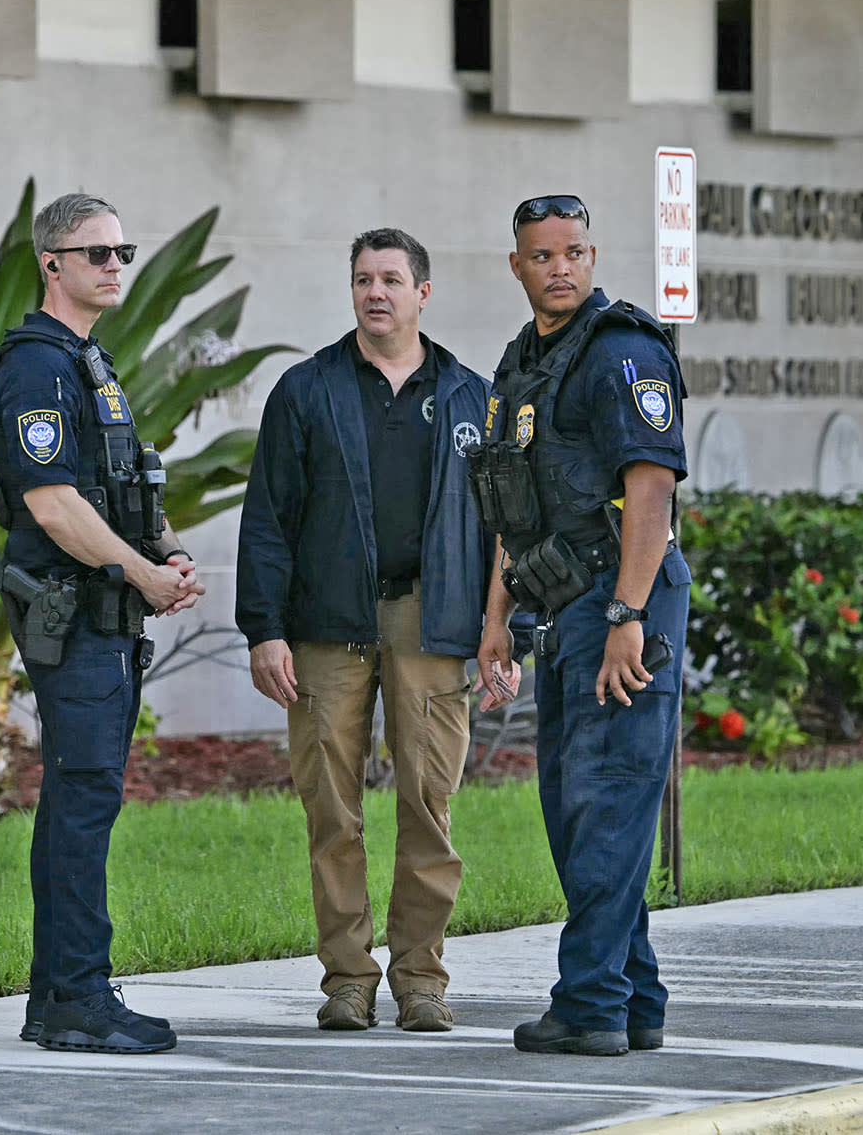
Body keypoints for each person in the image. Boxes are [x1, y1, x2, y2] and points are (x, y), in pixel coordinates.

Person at [236, 227, 494, 1033]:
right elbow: (268, 518)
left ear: (423, 291)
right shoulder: (306, 389)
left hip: (434, 619)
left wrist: (501, 629)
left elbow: (498, 527)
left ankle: (422, 978)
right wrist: (263, 630)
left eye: (390, 278)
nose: (374, 291)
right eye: (361, 279)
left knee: (428, 803)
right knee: (333, 812)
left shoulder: (468, 395)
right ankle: (348, 979)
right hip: (325, 625)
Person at [0, 191, 204, 1054]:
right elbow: (54, 504)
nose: (114, 265)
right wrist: (142, 574)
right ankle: (76, 998)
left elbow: (123, 488)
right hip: (73, 620)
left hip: (105, 614)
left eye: (123, 252)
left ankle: (58, 997)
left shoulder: (86, 362)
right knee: (82, 800)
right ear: (52, 264)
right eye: (97, 252)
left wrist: (167, 554)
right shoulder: (34, 368)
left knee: (82, 798)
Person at [472, 194, 692, 1057]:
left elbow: (652, 489)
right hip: (562, 606)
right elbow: (508, 504)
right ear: (517, 265)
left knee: (609, 801)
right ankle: (635, 997)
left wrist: (629, 616)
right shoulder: (522, 364)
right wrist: (499, 621)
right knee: (575, 805)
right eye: (542, 254)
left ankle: (591, 1001)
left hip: (626, 603)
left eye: (574, 252)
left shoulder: (622, 352)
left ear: (593, 258)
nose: (559, 267)